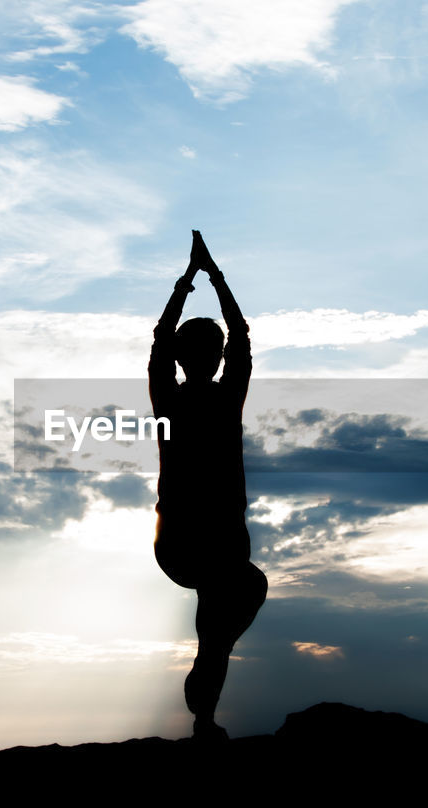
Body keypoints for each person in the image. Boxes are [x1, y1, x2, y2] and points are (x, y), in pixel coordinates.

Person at [149, 231, 267, 741]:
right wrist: (211, 274)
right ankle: (205, 696)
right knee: (236, 599)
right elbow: (240, 334)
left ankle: (204, 715)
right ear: (212, 358)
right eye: (214, 350)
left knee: (225, 608)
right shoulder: (219, 400)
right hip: (203, 542)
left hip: (184, 543)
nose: (218, 355)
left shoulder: (169, 399)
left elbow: (161, 340)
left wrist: (188, 281)